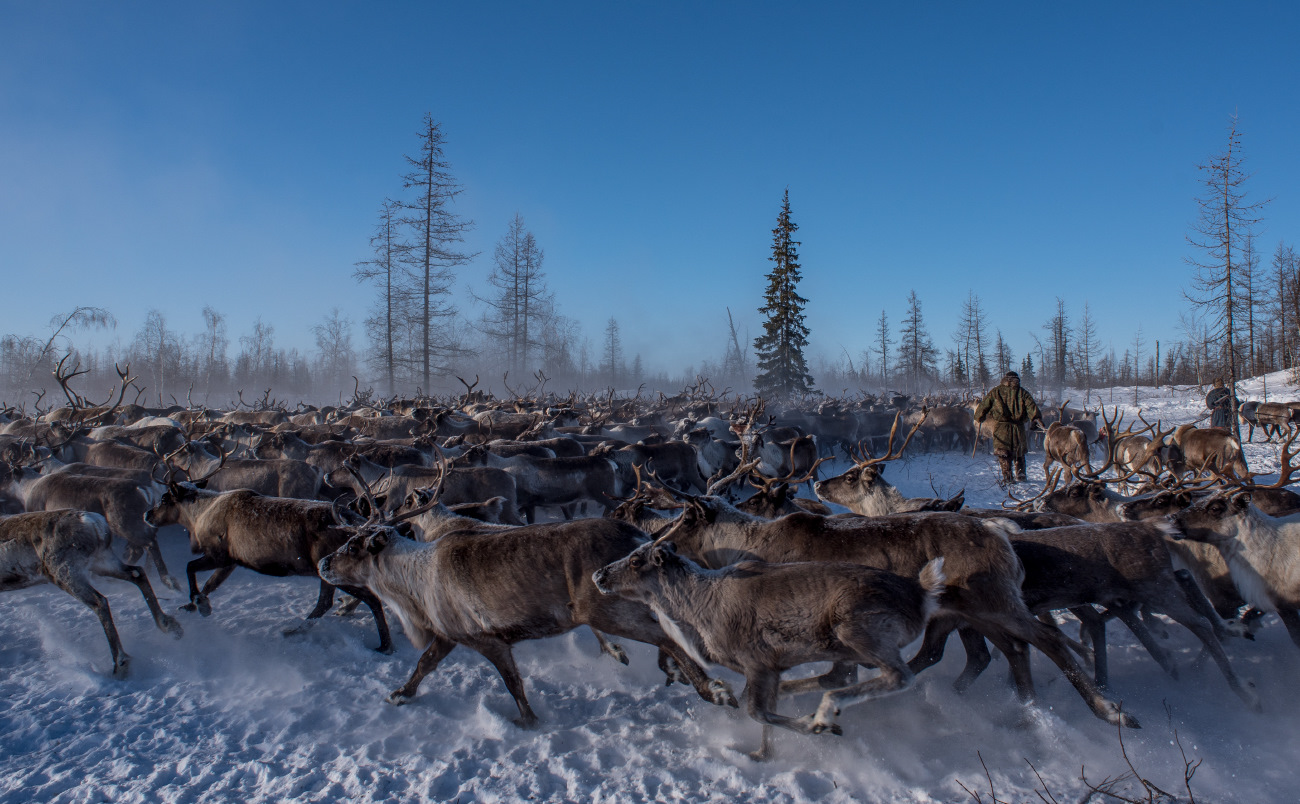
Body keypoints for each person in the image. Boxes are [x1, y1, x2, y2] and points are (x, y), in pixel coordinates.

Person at [974, 371, 1044, 485]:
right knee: (1019, 451)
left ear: (1005, 379)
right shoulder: (1022, 393)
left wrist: (979, 416)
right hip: (1018, 427)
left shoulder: (996, 392)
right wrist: (1036, 418)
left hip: (1002, 427)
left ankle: (1007, 476)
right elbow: (1031, 406)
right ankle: (1021, 474)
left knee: (1003, 452)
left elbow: (983, 405)